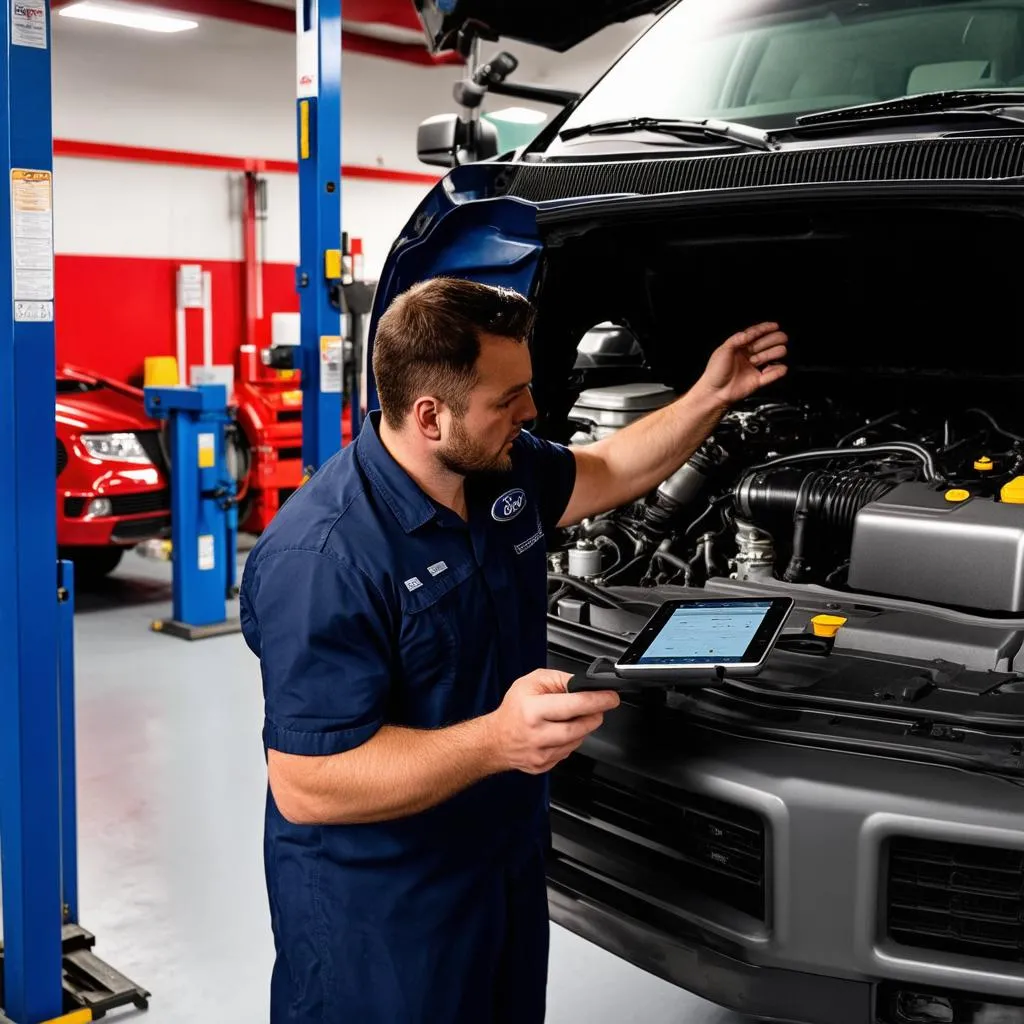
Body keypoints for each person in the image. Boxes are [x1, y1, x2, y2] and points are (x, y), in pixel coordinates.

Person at [239, 277, 788, 1024]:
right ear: (430, 416)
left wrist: (709, 395)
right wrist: (498, 742)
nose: (531, 412)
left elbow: (610, 469)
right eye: (509, 399)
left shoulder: (501, 467)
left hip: (500, 862)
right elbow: (309, 783)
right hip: (386, 912)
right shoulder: (325, 557)